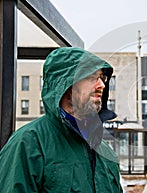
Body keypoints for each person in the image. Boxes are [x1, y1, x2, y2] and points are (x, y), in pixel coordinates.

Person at [0, 47, 123, 193]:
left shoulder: (104, 150)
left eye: (102, 78)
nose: (101, 85)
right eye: (91, 77)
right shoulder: (28, 143)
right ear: (65, 84)